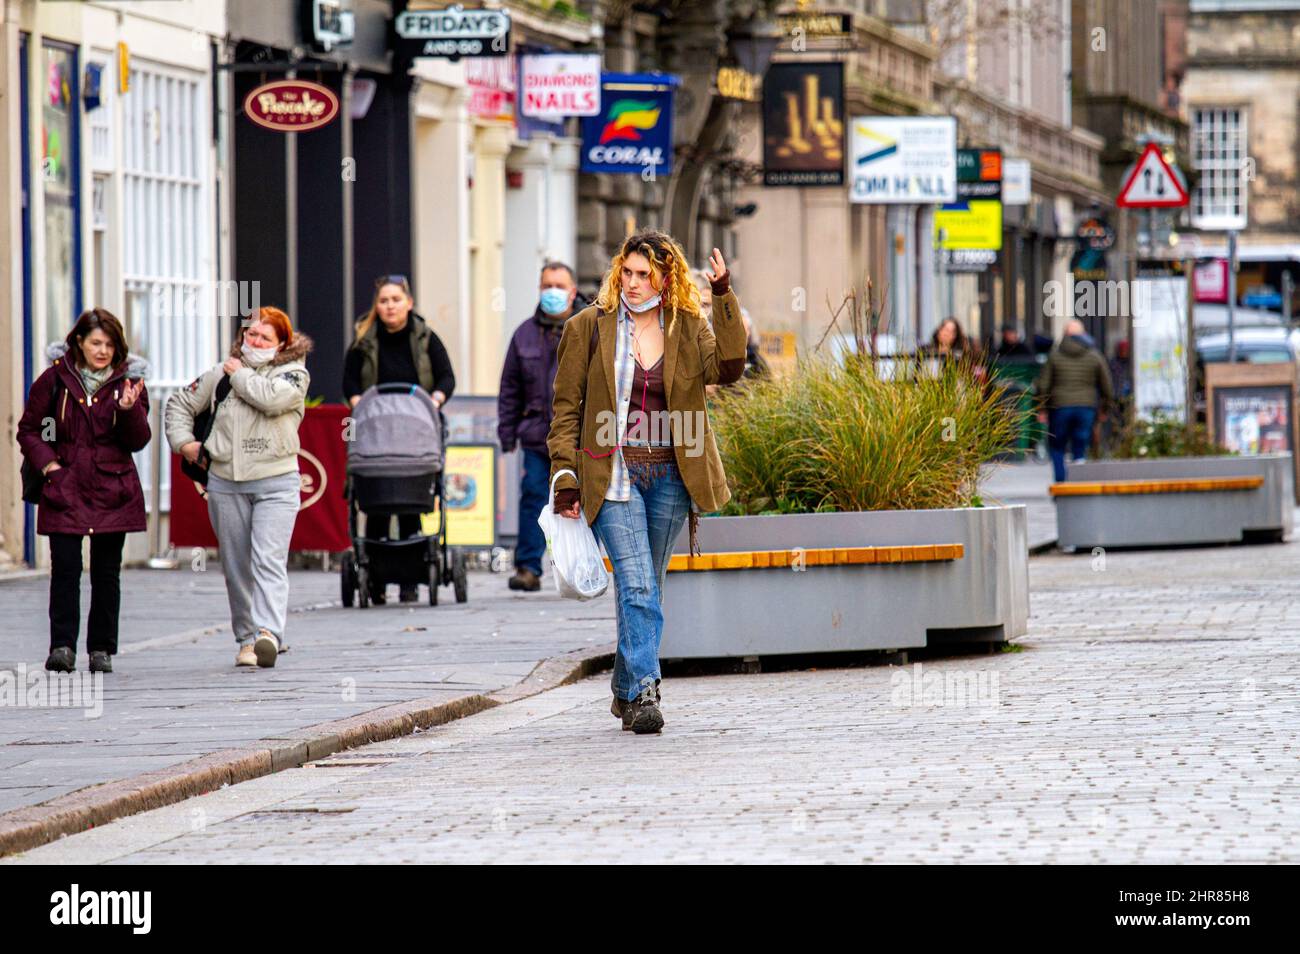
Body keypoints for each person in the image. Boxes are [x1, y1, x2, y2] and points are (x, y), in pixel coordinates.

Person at [548, 230, 748, 734]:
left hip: (672, 476)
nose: (633, 283)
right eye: (627, 272)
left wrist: (723, 295)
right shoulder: (587, 327)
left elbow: (729, 367)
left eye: (644, 275)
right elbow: (566, 410)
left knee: (647, 587)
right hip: (612, 473)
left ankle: (622, 685)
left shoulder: (687, 326)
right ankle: (642, 693)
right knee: (636, 583)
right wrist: (565, 476)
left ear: (665, 278)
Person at [166, 308, 312, 668]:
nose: (256, 342)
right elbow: (179, 403)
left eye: (265, 337)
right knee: (235, 565)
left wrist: (240, 373)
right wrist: (185, 443)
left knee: (269, 559)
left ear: (282, 344)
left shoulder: (293, 374)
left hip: (276, 480)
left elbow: (271, 399)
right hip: (225, 481)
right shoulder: (221, 374)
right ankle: (247, 639)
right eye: (251, 335)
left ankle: (269, 634)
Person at [17, 309, 150, 674]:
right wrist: (50, 465)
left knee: (107, 573)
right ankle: (62, 646)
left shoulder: (130, 383)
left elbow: (138, 440)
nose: (102, 351)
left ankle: (101, 649)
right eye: (95, 343)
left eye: (109, 344)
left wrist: (128, 411)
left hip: (113, 488)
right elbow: (31, 429)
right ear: (78, 342)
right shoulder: (54, 380)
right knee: (65, 569)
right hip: (64, 487)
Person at [342, 275, 455, 603]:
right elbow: (349, 380)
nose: (390, 306)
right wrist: (356, 402)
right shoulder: (364, 340)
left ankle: (410, 579)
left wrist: (435, 399)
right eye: (383, 301)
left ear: (409, 302)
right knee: (377, 502)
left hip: (416, 428)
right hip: (376, 430)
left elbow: (447, 375)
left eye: (395, 299)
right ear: (376, 307)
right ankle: (374, 577)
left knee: (410, 502)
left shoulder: (425, 338)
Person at [498, 261, 586, 592]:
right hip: (537, 436)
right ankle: (528, 567)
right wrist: (506, 434)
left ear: (573, 291)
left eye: (559, 286)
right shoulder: (524, 334)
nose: (552, 292)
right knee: (533, 497)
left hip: (580, 437)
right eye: (547, 285)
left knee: (583, 502)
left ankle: (582, 566)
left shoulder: (588, 327)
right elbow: (509, 388)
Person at [1037, 318, 1114, 482]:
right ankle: (1078, 482)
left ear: (1065, 334)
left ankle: (1060, 483)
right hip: (1086, 408)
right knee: (1080, 445)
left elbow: (1043, 385)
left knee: (1057, 446)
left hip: (1060, 407)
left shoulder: (1055, 356)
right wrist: (1104, 409)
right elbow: (1107, 386)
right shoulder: (1094, 355)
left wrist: (1042, 408)